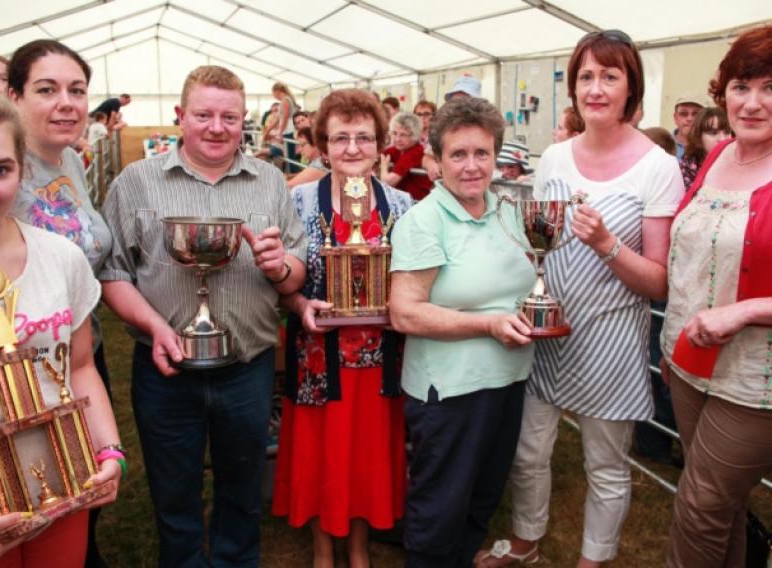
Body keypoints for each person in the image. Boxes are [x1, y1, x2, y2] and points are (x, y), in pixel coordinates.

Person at [476, 30, 684, 568]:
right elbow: (542, 246)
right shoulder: (557, 157)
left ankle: (594, 559)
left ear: (630, 88)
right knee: (529, 452)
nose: (595, 88)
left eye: (609, 76)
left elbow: (659, 282)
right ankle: (525, 542)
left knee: (606, 463)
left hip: (611, 337)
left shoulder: (657, 166)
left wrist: (607, 244)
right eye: (586, 76)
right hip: (549, 330)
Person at [99, 65, 306, 567]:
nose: (217, 127)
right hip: (164, 370)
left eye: (230, 117)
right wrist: (154, 327)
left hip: (248, 366)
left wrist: (281, 269)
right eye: (204, 115)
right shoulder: (137, 182)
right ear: (180, 117)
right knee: (174, 494)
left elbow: (297, 271)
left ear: (244, 122)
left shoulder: (270, 182)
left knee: (242, 492)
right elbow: (111, 273)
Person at [0, 84, 120, 567]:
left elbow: (80, 368)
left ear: (21, 168)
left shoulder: (61, 258)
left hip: (61, 488)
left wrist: (109, 452)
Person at [389, 96, 536, 567]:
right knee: (439, 508)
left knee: (482, 496)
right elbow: (405, 313)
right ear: (436, 159)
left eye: (482, 153)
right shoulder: (423, 221)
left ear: (496, 156)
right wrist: (489, 324)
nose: (472, 167)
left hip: (509, 381)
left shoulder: (507, 210)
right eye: (458, 154)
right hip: (449, 391)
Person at [272, 88, 412, 568]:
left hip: (380, 361)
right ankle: (321, 548)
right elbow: (282, 278)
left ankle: (358, 547)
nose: (352, 148)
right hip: (318, 356)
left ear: (380, 144)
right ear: (322, 144)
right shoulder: (298, 201)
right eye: (340, 138)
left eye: (364, 138)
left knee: (365, 458)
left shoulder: (402, 204)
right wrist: (296, 302)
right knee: (321, 456)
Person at [661, 24, 772, 568]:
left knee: (701, 504)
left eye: (771, 88)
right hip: (687, 360)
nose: (752, 103)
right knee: (721, 508)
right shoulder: (719, 155)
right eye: (741, 86)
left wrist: (749, 309)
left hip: (755, 379)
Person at [6, 38, 115, 568]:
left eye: (77, 90)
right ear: (12, 95)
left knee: (83, 487)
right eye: (46, 90)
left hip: (79, 349)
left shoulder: (70, 158)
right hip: (16, 365)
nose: (67, 103)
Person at [381, 111, 433, 200]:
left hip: (415, 204)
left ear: (415, 135)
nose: (397, 139)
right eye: (394, 133)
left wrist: (384, 166)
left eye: (403, 135)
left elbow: (388, 181)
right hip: (403, 200)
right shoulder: (398, 149)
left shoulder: (414, 152)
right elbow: (378, 156)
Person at [678, 106, 731, 189]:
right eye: (713, 133)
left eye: (727, 132)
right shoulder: (686, 169)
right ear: (699, 137)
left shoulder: (742, 165)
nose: (722, 139)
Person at [272, 81, 301, 173]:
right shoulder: (287, 99)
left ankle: (292, 173)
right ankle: (292, 173)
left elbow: (285, 117)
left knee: (290, 156)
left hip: (287, 130)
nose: (274, 96)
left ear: (277, 91)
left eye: (273, 93)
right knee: (289, 155)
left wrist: (280, 132)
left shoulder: (285, 100)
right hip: (288, 130)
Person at [671, 94, 705, 160]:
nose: (689, 118)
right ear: (675, 118)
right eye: (683, 113)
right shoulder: (662, 145)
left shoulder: (710, 145)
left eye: (695, 114)